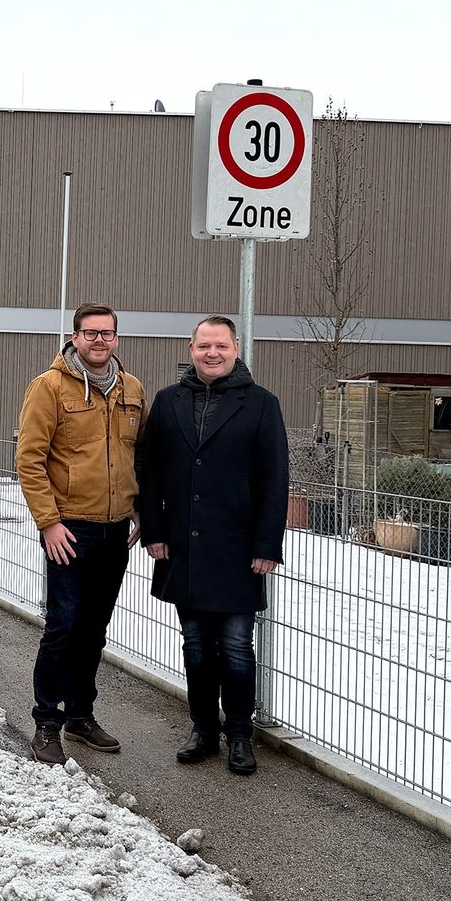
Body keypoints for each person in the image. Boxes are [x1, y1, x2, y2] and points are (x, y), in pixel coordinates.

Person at [138, 315, 289, 776]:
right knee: (196, 645)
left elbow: (275, 480)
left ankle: (240, 735)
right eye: (204, 345)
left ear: (235, 349)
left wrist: (267, 544)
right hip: (183, 546)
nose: (212, 353)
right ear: (191, 350)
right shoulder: (168, 401)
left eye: (221, 345)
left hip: (239, 550)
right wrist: (154, 531)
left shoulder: (261, 404)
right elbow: (150, 471)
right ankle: (203, 729)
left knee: (238, 646)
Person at [15, 304, 145, 765]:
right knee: (64, 626)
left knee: (93, 630)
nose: (99, 341)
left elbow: (139, 457)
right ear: (74, 337)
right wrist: (48, 523)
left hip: (115, 531)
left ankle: (80, 716)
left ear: (117, 339)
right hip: (68, 529)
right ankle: (46, 722)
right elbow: (29, 459)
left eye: (107, 333)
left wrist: (140, 511)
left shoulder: (132, 389)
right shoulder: (48, 387)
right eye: (90, 333)